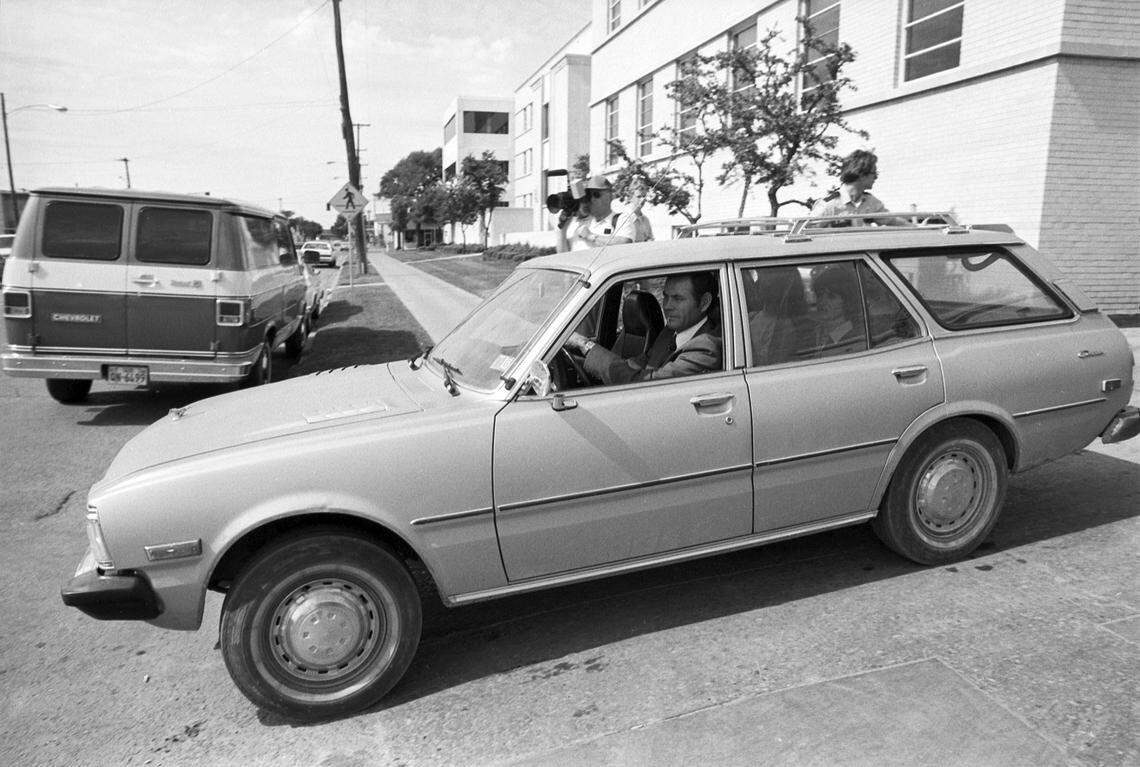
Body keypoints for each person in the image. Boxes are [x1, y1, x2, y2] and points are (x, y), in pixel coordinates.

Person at [566, 272, 722, 385]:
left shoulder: (706, 348)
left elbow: (646, 383)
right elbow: (634, 365)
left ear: (704, 302)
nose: (667, 306)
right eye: (665, 296)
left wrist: (585, 345)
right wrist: (582, 359)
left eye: (678, 299)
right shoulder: (669, 333)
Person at [556, 175, 637, 252]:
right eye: (588, 195)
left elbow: (625, 244)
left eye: (596, 194)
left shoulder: (621, 219)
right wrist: (562, 230)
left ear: (610, 196)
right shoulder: (577, 223)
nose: (591, 199)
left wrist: (591, 236)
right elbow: (562, 254)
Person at [811, 150, 889, 225]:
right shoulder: (829, 205)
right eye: (874, 173)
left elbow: (894, 221)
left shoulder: (871, 202)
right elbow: (803, 231)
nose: (876, 177)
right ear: (861, 175)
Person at [810, 265, 867, 357]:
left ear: (847, 301)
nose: (822, 302)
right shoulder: (813, 332)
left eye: (831, 297)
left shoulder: (855, 338)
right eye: (820, 295)